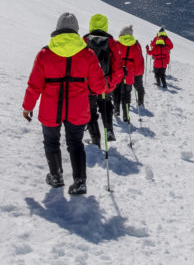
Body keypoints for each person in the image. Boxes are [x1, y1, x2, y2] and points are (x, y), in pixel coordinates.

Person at [23, 13, 111, 195]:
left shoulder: (44, 53)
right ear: (76, 31)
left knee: (51, 141)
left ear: (57, 29)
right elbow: (98, 86)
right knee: (75, 143)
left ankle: (56, 176)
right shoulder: (87, 54)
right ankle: (80, 181)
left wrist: (28, 106)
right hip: (78, 108)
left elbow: (34, 85)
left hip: (51, 108)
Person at [80, 14, 123, 146]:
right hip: (105, 83)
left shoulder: (84, 40)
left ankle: (96, 140)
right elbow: (118, 67)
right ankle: (109, 130)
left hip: (89, 85)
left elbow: (79, 64)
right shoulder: (112, 42)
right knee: (106, 105)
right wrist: (111, 82)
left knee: (91, 112)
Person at [112, 25, 145, 121]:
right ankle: (126, 114)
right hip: (129, 74)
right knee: (126, 93)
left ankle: (116, 109)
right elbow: (139, 62)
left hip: (117, 72)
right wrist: (137, 73)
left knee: (116, 91)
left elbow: (113, 58)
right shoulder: (135, 45)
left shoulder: (116, 43)